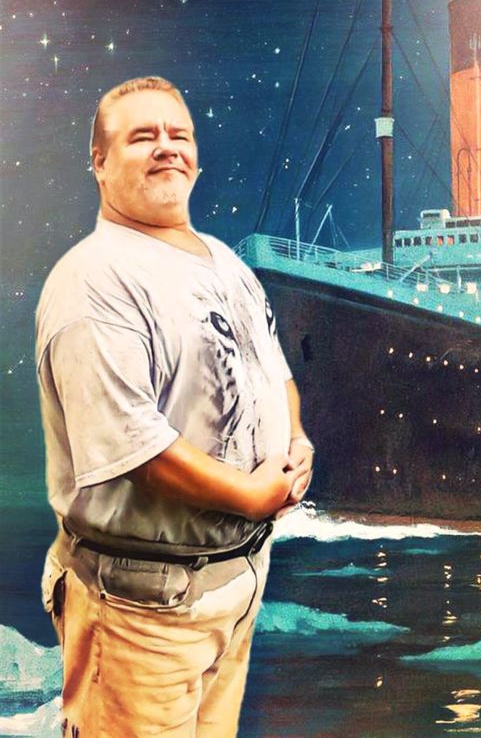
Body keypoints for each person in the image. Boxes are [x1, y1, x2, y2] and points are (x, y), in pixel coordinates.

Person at [35, 75, 314, 737]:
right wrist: (252, 496)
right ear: (100, 162)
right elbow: (135, 448)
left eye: (178, 134)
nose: (166, 147)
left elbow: (273, 370)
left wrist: (296, 440)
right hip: (140, 610)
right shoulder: (94, 279)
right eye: (142, 136)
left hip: (232, 589)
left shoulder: (226, 263)